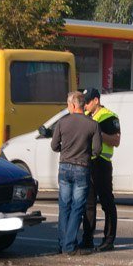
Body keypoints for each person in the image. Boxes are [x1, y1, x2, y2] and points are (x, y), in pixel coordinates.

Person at [50, 91, 101, 256]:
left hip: (64, 167)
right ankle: (69, 245)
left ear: (73, 105)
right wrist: (86, 154)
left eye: (68, 105)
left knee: (64, 206)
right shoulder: (93, 124)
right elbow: (97, 150)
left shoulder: (62, 122)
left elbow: (54, 146)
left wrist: (65, 150)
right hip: (82, 167)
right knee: (77, 207)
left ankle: (63, 244)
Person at [80, 88, 120, 252]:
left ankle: (108, 240)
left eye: (88, 102)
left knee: (107, 202)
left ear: (96, 100)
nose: (85, 105)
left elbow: (116, 141)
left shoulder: (109, 116)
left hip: (102, 163)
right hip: (88, 163)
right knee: (88, 204)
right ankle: (87, 239)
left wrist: (97, 133)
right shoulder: (86, 116)